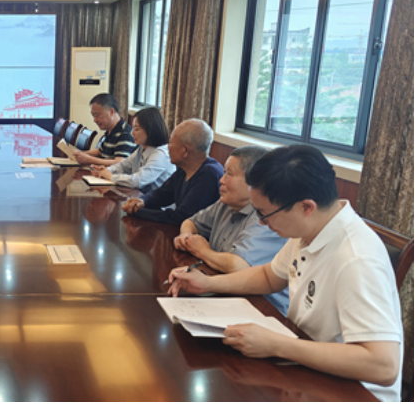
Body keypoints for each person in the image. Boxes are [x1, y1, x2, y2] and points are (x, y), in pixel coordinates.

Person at [167, 145, 402, 401]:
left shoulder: (357, 258)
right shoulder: (309, 229)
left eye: (264, 214)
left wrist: (277, 344)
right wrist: (208, 283)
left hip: (350, 390)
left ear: (306, 207)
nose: (261, 222)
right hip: (304, 361)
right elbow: (269, 276)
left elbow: (383, 366)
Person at [174, 145, 289, 314]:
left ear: (254, 183)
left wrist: (202, 251)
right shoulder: (226, 203)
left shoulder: (267, 217)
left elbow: (239, 266)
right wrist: (186, 235)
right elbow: (191, 221)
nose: (221, 180)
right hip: (228, 294)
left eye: (229, 174)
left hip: (263, 308)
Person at [122, 118, 223, 226]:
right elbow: (162, 194)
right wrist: (142, 201)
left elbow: (182, 217)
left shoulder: (209, 175)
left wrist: (138, 212)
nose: (167, 147)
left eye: (170, 143)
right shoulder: (184, 168)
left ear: (185, 150)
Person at [90, 106, 175, 193]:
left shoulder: (161, 154)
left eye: (136, 129)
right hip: (141, 197)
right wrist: (106, 171)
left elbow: (138, 180)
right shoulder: (141, 148)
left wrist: (110, 177)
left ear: (150, 130)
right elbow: (123, 165)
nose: (132, 133)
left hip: (155, 201)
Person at [73, 93, 137, 166]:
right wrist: (80, 154)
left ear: (111, 112)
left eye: (97, 115)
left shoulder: (125, 134)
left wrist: (89, 160)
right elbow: (100, 151)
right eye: (93, 116)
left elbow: (119, 163)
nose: (94, 120)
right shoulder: (110, 130)